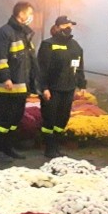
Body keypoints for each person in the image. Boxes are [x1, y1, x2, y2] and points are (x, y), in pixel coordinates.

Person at [0, 1, 38, 162]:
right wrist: (6, 78)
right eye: (29, 13)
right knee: (3, 119)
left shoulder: (24, 35)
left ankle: (8, 147)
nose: (31, 17)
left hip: (21, 86)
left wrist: (33, 82)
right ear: (21, 14)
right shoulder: (5, 32)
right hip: (8, 86)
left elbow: (29, 62)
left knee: (15, 119)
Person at [37, 16, 86, 158]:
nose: (68, 28)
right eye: (65, 25)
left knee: (62, 119)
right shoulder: (48, 44)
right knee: (50, 119)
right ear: (57, 27)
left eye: (70, 25)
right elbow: (42, 69)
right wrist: (44, 87)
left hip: (68, 88)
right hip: (52, 89)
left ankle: (56, 145)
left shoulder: (75, 46)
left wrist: (81, 84)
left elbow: (79, 66)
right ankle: (49, 148)